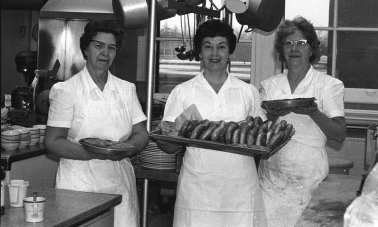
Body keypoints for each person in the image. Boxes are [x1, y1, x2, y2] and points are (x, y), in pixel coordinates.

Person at [157, 19, 267, 227]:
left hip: (241, 189)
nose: (214, 54)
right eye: (208, 46)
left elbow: (260, 139)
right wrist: (171, 135)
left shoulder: (248, 92)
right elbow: (168, 146)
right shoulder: (182, 92)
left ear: (230, 51)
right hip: (197, 191)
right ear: (199, 51)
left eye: (221, 47)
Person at [45, 19, 149, 227]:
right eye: (98, 46)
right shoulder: (67, 90)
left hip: (119, 179)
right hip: (78, 183)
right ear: (85, 48)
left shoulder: (126, 89)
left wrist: (125, 148)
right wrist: (96, 153)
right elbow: (53, 141)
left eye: (111, 48)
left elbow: (141, 133)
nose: (105, 53)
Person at [258, 16, 346, 227]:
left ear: (312, 49)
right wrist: (271, 116)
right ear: (281, 50)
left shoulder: (328, 85)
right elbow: (258, 135)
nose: (294, 48)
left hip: (310, 183)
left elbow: (339, 134)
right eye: (288, 43)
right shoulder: (269, 86)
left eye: (301, 43)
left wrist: (313, 112)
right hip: (271, 183)